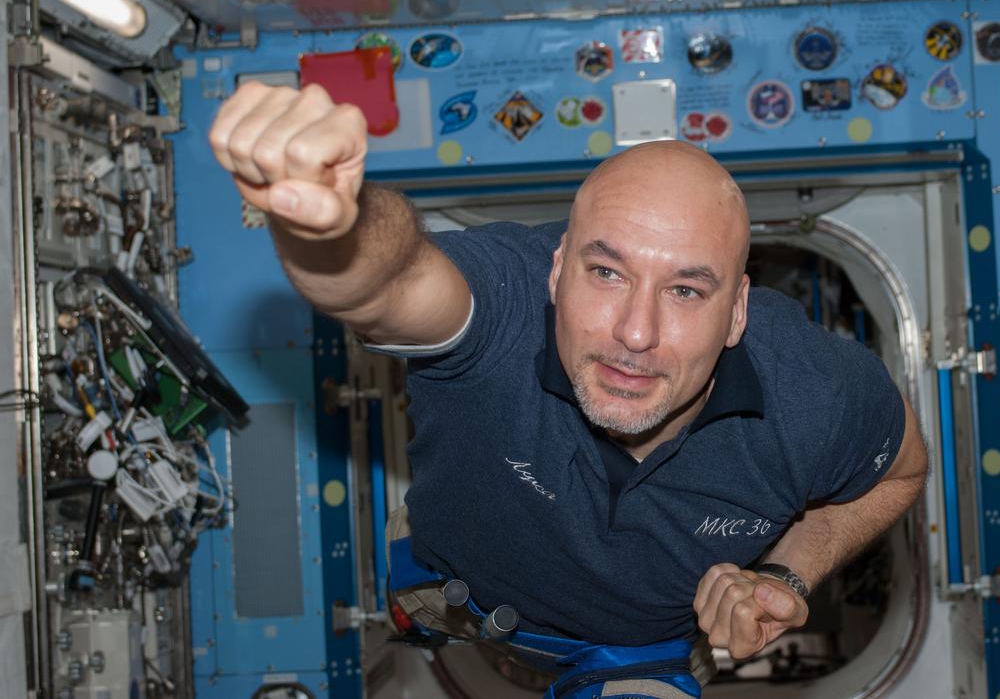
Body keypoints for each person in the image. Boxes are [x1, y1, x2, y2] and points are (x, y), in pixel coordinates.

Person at [208, 82, 928, 685]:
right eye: (606, 273)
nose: (635, 333)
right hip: (455, 597)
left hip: (646, 653)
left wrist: (785, 577)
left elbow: (900, 474)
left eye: (685, 291)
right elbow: (388, 282)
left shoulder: (816, 394)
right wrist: (334, 228)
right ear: (556, 270)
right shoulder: (507, 304)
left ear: (737, 310)